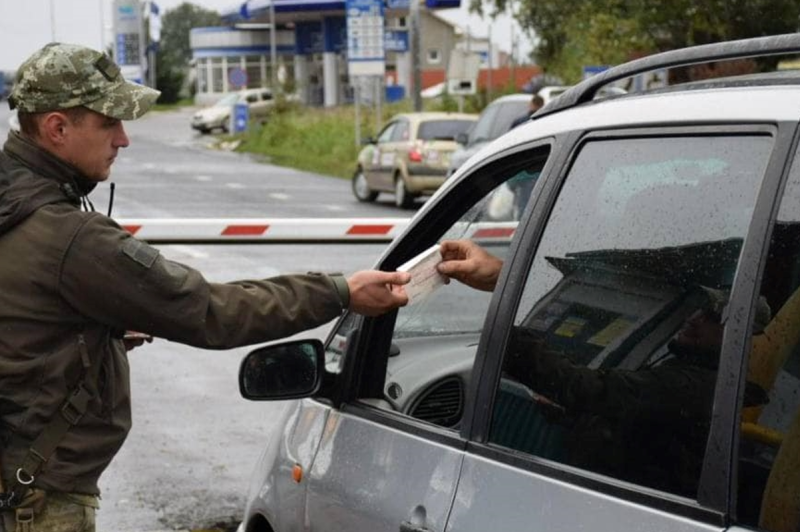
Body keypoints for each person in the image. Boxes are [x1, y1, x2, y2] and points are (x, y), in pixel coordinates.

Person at [0, 43, 409, 531]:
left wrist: (91, 336)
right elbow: (212, 310)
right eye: (110, 121)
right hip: (38, 503)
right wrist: (340, 291)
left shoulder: (13, 204)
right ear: (57, 128)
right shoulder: (71, 238)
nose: (124, 139)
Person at [437, 239, 770, 496]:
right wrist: (570, 415)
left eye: (713, 316)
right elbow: (632, 425)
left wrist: (508, 333)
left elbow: (593, 390)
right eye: (700, 308)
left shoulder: (692, 385)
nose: (695, 318)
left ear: (739, 338)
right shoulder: (691, 373)